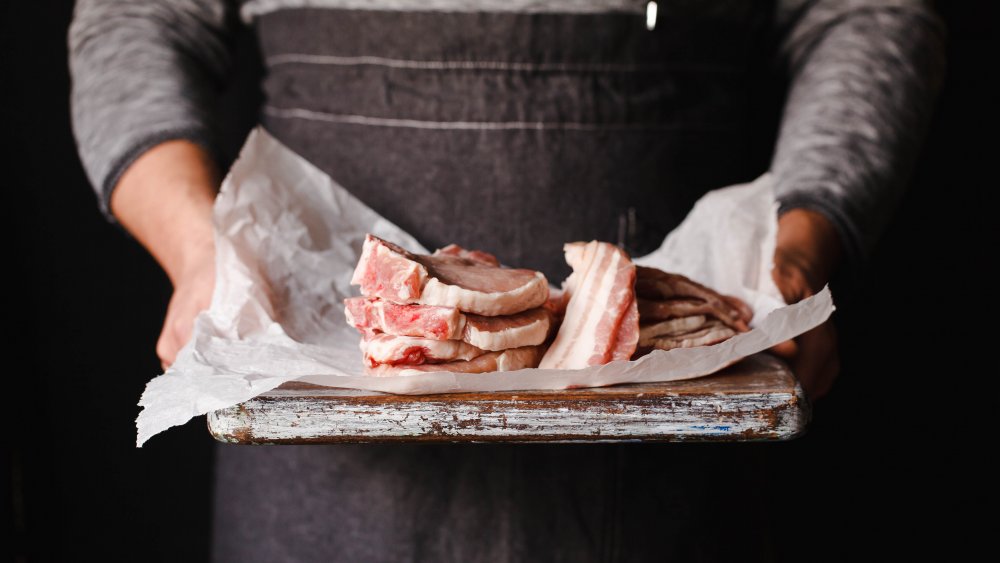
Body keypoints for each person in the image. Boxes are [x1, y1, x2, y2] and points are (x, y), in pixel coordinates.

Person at [70, 1, 944, 560]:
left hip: (674, 459)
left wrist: (799, 248)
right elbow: (131, 18)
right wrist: (200, 254)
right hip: (314, 441)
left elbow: (868, 13)